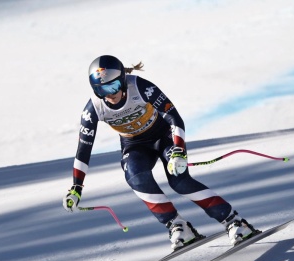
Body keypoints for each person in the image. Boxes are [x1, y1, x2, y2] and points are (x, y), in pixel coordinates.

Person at [62, 55, 259, 250]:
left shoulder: (140, 87)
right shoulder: (93, 109)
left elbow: (175, 119)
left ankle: (234, 221)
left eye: (112, 87)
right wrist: (76, 187)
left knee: (179, 180)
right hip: (135, 145)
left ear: (122, 80)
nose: (108, 95)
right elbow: (83, 150)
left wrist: (179, 152)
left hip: (163, 136)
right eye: (100, 90)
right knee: (135, 177)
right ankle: (177, 225)